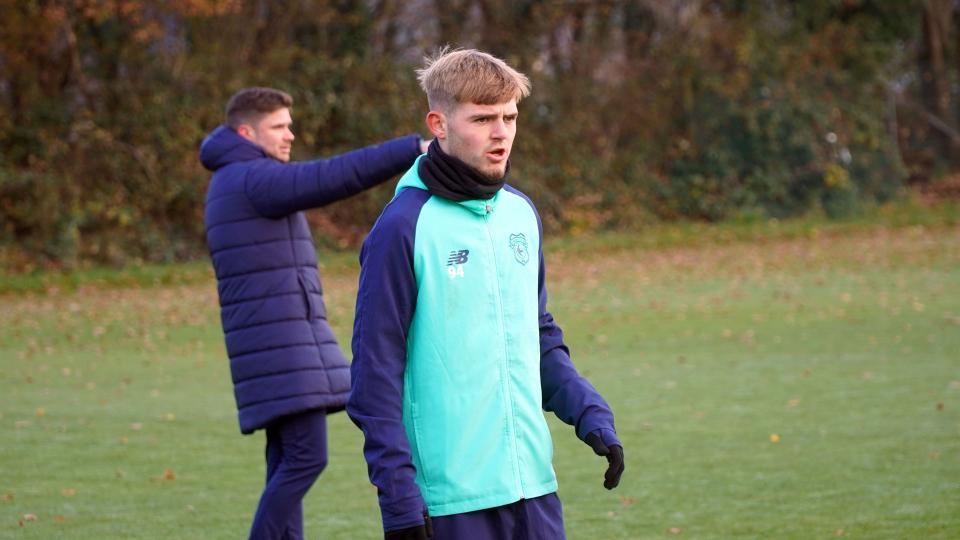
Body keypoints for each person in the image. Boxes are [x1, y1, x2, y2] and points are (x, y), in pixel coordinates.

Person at [348, 49, 625, 540]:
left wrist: (589, 412)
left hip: (533, 489)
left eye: (510, 117)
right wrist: (399, 499)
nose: (501, 133)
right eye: (482, 119)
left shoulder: (520, 214)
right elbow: (374, 378)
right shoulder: (402, 227)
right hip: (450, 503)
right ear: (439, 123)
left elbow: (536, 334)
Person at [200, 86, 428, 540]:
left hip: (274, 346)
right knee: (307, 458)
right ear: (246, 131)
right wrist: (411, 150)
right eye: (279, 127)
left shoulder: (238, 177)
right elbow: (331, 177)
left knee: (287, 461)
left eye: (290, 124)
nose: (291, 135)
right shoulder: (251, 178)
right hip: (280, 349)